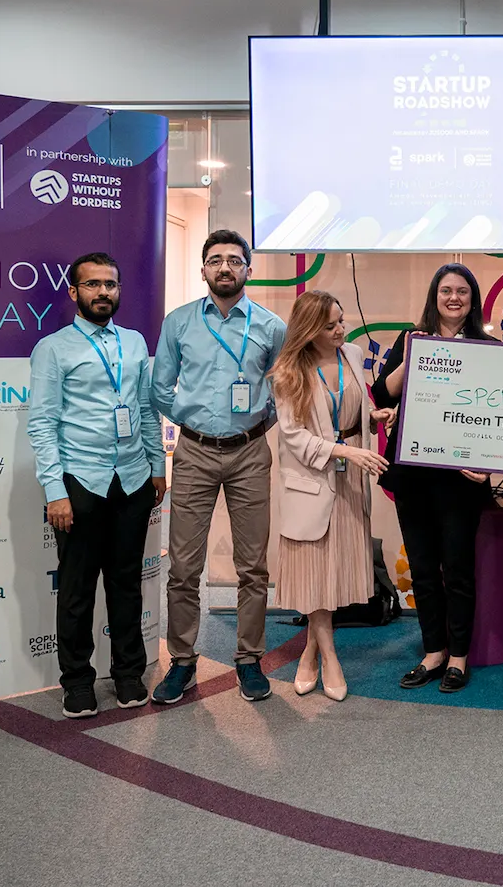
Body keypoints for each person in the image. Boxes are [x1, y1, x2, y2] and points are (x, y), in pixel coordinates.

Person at [28, 252, 167, 719]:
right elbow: (42, 424)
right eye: (92, 284)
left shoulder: (135, 342)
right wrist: (55, 491)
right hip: (80, 483)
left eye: (110, 284)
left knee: (127, 585)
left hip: (131, 480)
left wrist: (157, 466)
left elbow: (145, 410)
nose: (103, 292)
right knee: (77, 590)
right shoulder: (53, 348)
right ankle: (77, 681)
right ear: (74, 292)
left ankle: (128, 674)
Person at [150, 230, 287, 704]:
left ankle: (249, 659)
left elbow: (283, 391)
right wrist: (191, 420)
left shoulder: (271, 327)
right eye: (215, 260)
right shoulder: (179, 322)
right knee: (184, 567)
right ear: (203, 269)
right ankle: (183, 662)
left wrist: (256, 425)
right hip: (194, 452)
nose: (224, 267)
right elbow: (159, 388)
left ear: (248, 269)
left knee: (253, 567)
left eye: (234, 260)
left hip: (250, 452)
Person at [371, 264, 495, 694]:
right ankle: (433, 652)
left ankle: (458, 656)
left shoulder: (488, 348)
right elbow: (382, 393)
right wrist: (414, 358)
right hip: (413, 474)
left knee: (457, 569)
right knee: (423, 568)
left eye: (462, 291)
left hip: (461, 478)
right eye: (446, 290)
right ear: (434, 296)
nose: (454, 298)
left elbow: (500, 415)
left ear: (473, 299)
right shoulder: (411, 338)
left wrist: (488, 463)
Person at [269, 290, 391, 702]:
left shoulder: (352, 355)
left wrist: (373, 417)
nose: (341, 329)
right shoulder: (288, 372)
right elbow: (295, 437)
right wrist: (346, 452)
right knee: (314, 573)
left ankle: (309, 651)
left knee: (333, 572)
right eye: (330, 325)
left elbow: (352, 409)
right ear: (308, 330)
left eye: (341, 320)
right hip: (312, 479)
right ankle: (331, 657)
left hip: (349, 480)